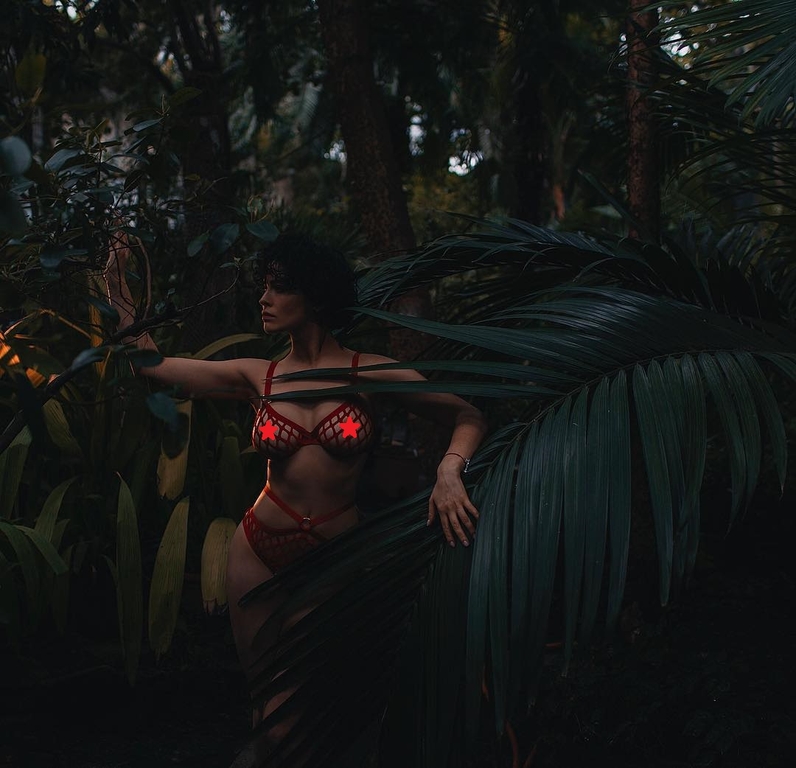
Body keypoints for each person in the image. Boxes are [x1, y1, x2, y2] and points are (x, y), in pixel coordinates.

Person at [103, 230, 488, 765]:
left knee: (302, 710)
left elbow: (467, 415)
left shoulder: (369, 372)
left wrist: (449, 470)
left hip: (333, 557)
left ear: (316, 296)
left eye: (278, 287)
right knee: (267, 705)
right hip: (256, 549)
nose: (263, 299)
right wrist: (118, 292)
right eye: (264, 286)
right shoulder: (257, 375)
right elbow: (155, 368)